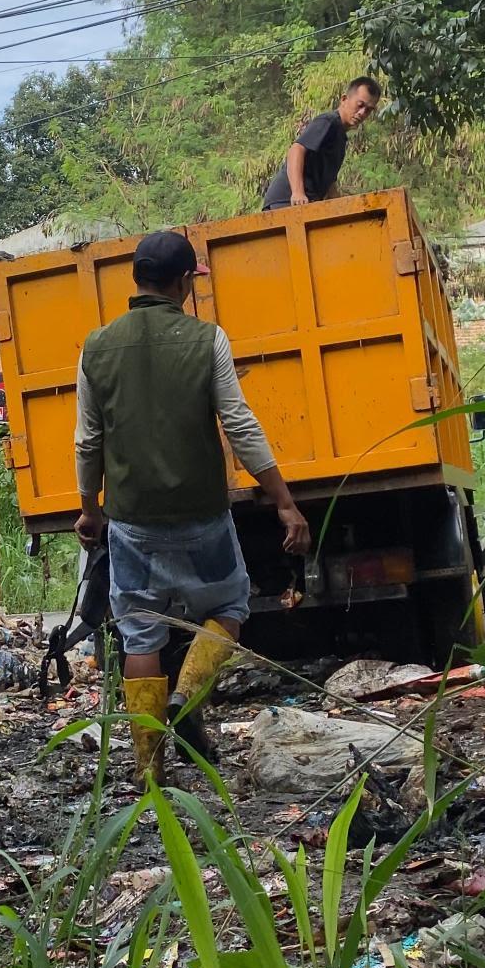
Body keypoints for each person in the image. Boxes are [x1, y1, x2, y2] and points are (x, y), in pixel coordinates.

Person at [74, 231, 311, 786]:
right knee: (229, 606)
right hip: (202, 515)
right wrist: (284, 502)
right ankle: (185, 695)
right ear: (184, 282)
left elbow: (88, 440)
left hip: (132, 520)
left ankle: (148, 769)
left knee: (140, 637)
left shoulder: (96, 347)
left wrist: (90, 509)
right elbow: (240, 426)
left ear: (136, 278)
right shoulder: (208, 340)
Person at [262, 77, 381, 211]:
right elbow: (296, 150)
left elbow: (330, 184)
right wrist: (297, 192)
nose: (362, 113)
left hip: (309, 201)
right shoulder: (329, 121)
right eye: (360, 105)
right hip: (286, 200)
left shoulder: (340, 137)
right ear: (344, 99)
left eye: (368, 110)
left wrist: (343, 207)